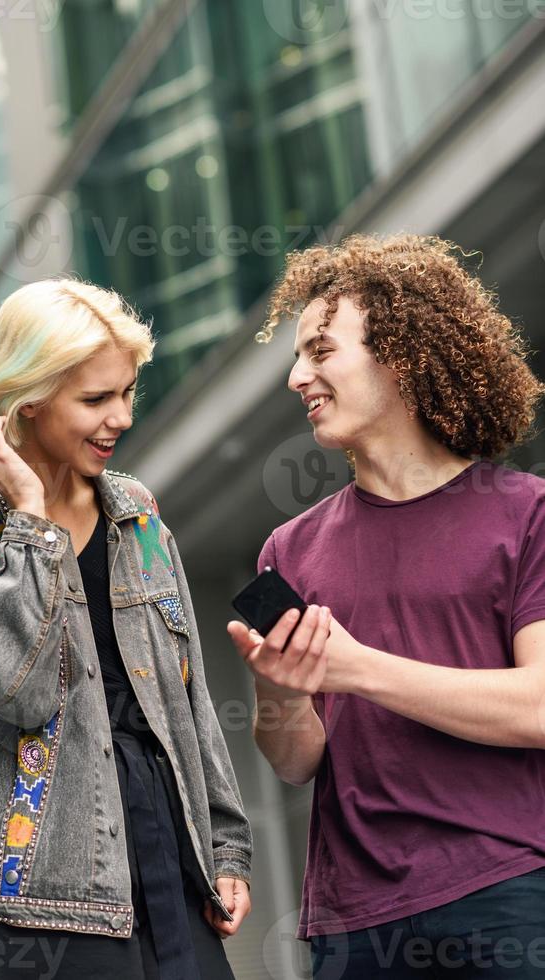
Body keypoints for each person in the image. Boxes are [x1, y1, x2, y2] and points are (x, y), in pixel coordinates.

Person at [0, 278, 251, 979]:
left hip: (170, 864)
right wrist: (29, 520)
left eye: (126, 392)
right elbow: (13, 693)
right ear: (26, 399)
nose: (120, 417)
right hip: (36, 900)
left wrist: (227, 851)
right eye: (95, 399)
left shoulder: (136, 514)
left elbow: (188, 700)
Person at [227, 233, 545, 979]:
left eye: (321, 350)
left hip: (508, 893)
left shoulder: (527, 515)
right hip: (354, 923)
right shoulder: (289, 550)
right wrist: (279, 690)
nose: (297, 377)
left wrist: (357, 668)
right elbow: (297, 760)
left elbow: (538, 707)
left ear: (399, 353)